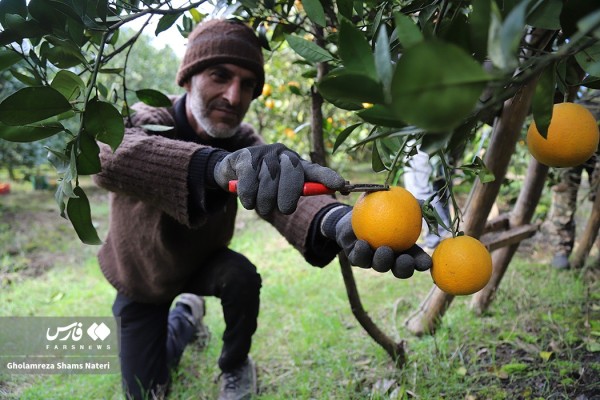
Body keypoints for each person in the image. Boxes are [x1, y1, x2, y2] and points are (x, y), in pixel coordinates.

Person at [92, 18, 433, 400]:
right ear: (187, 79)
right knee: (147, 392)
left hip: (203, 263)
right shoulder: (151, 117)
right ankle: (185, 318)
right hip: (143, 278)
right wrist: (215, 167)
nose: (234, 96)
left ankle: (235, 364)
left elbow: (284, 198)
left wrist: (334, 221)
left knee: (241, 277)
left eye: (248, 84)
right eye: (220, 76)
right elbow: (108, 156)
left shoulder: (243, 140)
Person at [403, 149, 452, 249]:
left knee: (421, 192)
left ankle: (437, 238)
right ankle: (445, 233)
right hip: (436, 145)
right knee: (439, 189)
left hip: (419, 146)